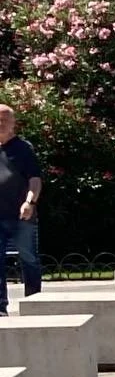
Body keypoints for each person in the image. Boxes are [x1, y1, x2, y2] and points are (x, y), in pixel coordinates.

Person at [0, 104, 43, 316]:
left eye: (4, 120)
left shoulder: (23, 148)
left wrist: (30, 202)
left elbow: (35, 179)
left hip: (21, 216)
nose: (1, 124)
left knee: (29, 259)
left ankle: (34, 304)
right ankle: (0, 307)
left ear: (13, 123)